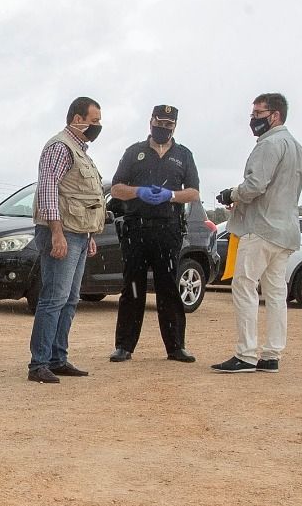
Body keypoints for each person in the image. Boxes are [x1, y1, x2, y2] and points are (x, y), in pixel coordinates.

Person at [212, 93, 302, 373]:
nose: (253, 119)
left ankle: (246, 354)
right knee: (276, 292)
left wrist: (231, 193)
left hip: (261, 228)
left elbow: (255, 185)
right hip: (286, 229)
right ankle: (272, 354)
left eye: (258, 113)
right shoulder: (298, 147)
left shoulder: (270, 144)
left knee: (244, 286)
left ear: (274, 115)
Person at [106, 104, 201, 363]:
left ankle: (176, 347)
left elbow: (193, 192)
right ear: (150, 122)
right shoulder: (134, 152)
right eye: (159, 122)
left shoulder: (184, 155)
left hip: (168, 229)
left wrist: (171, 195)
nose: (163, 128)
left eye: (169, 125)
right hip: (136, 227)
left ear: (175, 126)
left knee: (168, 287)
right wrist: (138, 192)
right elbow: (116, 189)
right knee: (133, 287)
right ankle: (124, 346)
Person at [28, 96, 105, 383]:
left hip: (79, 235)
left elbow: (85, 196)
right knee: (53, 298)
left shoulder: (80, 150)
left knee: (70, 299)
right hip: (61, 234)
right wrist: (57, 234)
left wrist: (89, 235)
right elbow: (48, 192)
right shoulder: (60, 148)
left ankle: (58, 358)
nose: (98, 126)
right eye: (94, 121)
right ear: (77, 119)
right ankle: (39, 364)